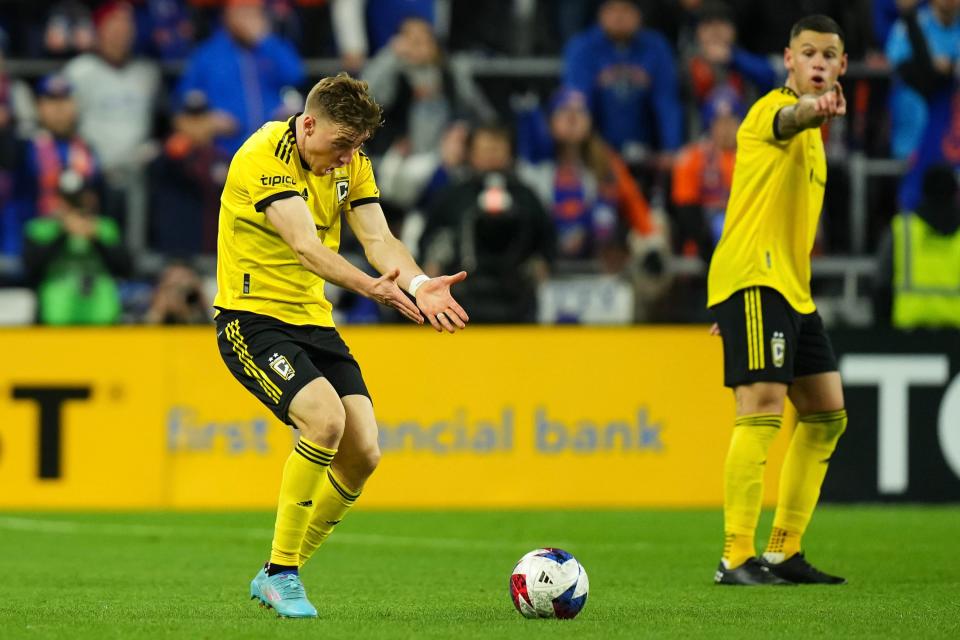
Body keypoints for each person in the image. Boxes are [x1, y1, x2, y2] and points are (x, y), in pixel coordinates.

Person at [215, 73, 468, 618]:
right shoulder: (263, 156)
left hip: (311, 321)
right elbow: (306, 247)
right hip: (251, 320)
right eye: (339, 145)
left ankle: (279, 570)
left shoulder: (351, 161)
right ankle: (282, 572)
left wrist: (419, 284)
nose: (345, 158)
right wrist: (371, 288)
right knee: (325, 422)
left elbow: (378, 238)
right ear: (308, 125)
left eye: (355, 148)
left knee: (364, 454)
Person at [706, 15, 850, 586]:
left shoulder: (817, 145)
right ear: (788, 60)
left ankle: (784, 550)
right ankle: (735, 556)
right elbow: (790, 118)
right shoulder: (771, 110)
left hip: (790, 290)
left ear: (841, 66)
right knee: (762, 407)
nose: (819, 62)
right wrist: (810, 111)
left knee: (825, 414)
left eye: (830, 55)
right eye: (808, 52)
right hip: (755, 280)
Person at [419, 124, 555, 323]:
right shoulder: (454, 195)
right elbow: (430, 238)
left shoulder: (526, 196)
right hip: (461, 295)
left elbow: (548, 240)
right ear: (471, 153)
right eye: (485, 149)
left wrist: (542, 264)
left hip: (517, 297)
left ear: (509, 152)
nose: (491, 155)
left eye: (497, 148)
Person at [177, 0, 305, 155]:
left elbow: (295, 75)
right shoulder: (208, 54)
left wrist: (265, 41)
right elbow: (184, 101)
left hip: (273, 147)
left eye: (254, 13)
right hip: (224, 148)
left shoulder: (271, 46)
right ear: (227, 15)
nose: (248, 19)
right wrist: (208, 121)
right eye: (242, 12)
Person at [22, 170, 130, 325]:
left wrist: (96, 237)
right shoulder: (40, 229)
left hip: (101, 317)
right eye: (68, 200)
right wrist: (62, 233)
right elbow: (31, 268)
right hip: (56, 316)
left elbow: (126, 268)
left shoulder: (106, 228)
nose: (73, 206)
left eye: (77, 200)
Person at [875, 163, 960, 328]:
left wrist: (882, 327)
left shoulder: (902, 228)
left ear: (923, 191)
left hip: (908, 332)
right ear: (955, 193)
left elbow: (882, 283)